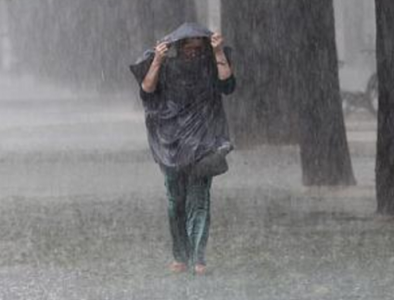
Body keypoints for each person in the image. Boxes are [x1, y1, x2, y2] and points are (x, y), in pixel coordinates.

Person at [130, 22, 236, 275]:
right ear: (178, 47)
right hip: (170, 143)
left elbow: (228, 86)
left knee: (199, 201)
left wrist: (219, 52)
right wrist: (157, 59)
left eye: (199, 48)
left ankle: (198, 258)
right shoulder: (164, 65)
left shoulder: (212, 63)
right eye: (188, 48)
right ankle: (180, 256)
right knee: (175, 202)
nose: (193, 53)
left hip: (204, 141)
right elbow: (146, 91)